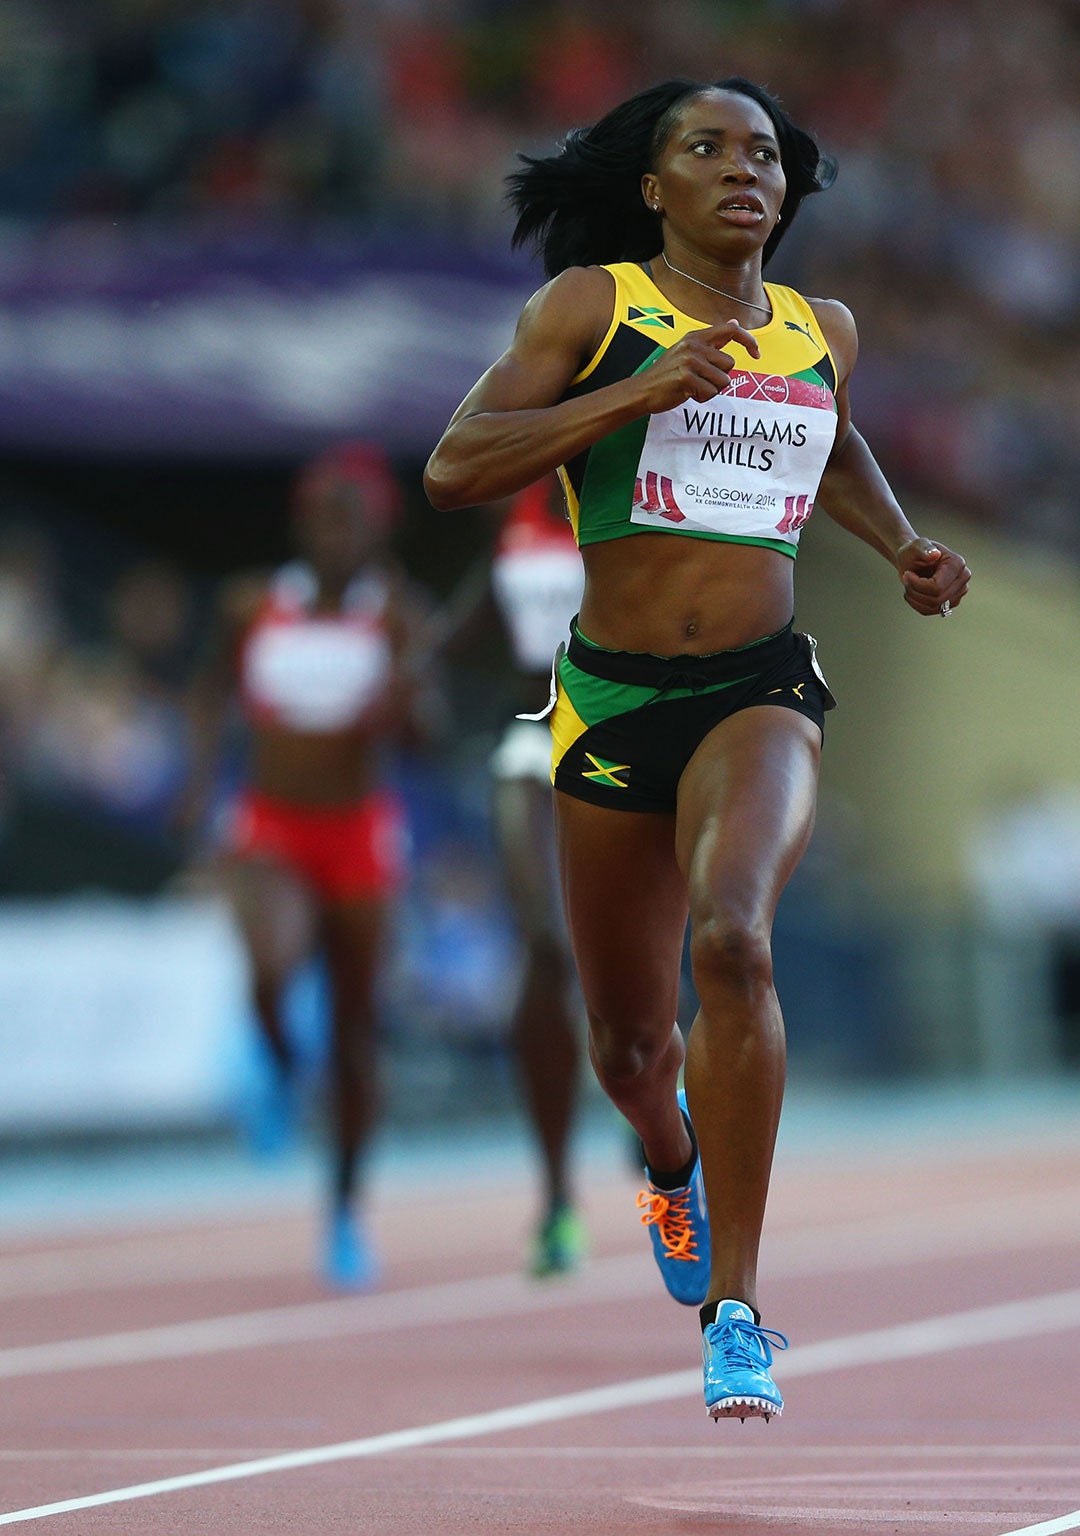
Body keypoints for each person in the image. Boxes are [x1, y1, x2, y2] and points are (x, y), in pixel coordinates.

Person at [422, 77, 969, 1422]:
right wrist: (637, 394)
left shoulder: (817, 328)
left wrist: (900, 545)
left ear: (788, 191)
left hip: (759, 688)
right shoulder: (592, 309)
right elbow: (456, 465)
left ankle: (738, 1312)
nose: (743, 170)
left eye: (764, 154)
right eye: (706, 149)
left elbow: (831, 446)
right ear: (652, 185)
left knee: (733, 942)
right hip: (608, 704)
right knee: (623, 1042)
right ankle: (669, 1162)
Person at [188, 443, 433, 1291]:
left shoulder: (397, 612)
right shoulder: (251, 602)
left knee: (359, 1034)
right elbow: (211, 690)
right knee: (271, 962)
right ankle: (280, 1063)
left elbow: (426, 737)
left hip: (358, 831)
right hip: (272, 828)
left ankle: (344, 1210)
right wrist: (194, 787)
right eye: (325, 518)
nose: (337, 535)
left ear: (377, 531)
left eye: (353, 521)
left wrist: (404, 695)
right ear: (302, 522)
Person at [434, 477, 590, 1276]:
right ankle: (559, 1199)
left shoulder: (643, 481)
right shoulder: (518, 511)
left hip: (621, 736)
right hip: (532, 735)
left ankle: (660, 1134)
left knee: (631, 963)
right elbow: (452, 634)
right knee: (546, 946)